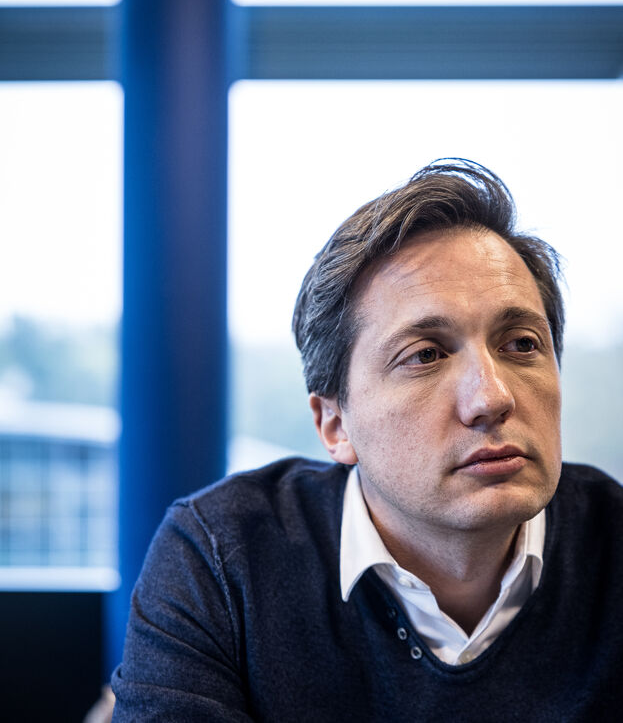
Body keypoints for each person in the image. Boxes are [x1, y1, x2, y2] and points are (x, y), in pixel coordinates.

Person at [111, 159, 623, 721]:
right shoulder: (222, 556)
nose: (492, 397)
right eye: (425, 355)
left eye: (521, 344)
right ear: (335, 425)